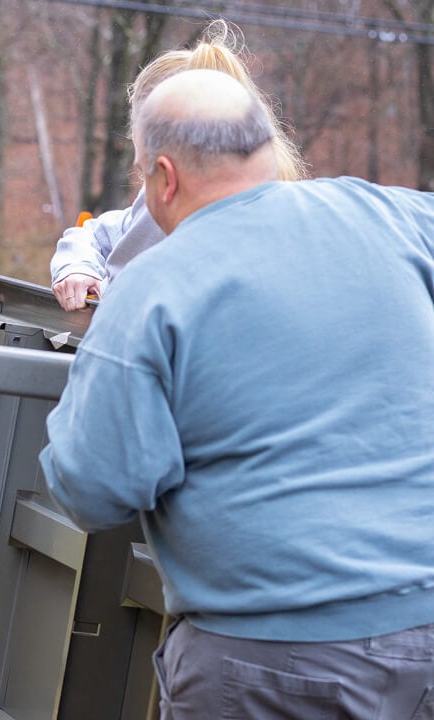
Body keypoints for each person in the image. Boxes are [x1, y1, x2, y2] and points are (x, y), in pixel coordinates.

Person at [40, 68, 434, 719]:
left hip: (265, 660)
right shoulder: (393, 214)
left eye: (143, 175)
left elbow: (92, 487)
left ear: (163, 177)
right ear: (262, 148)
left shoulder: (151, 288)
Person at [50, 21, 310, 311]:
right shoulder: (283, 201)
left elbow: (126, 313)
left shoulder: (172, 207)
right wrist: (78, 267)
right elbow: (100, 232)